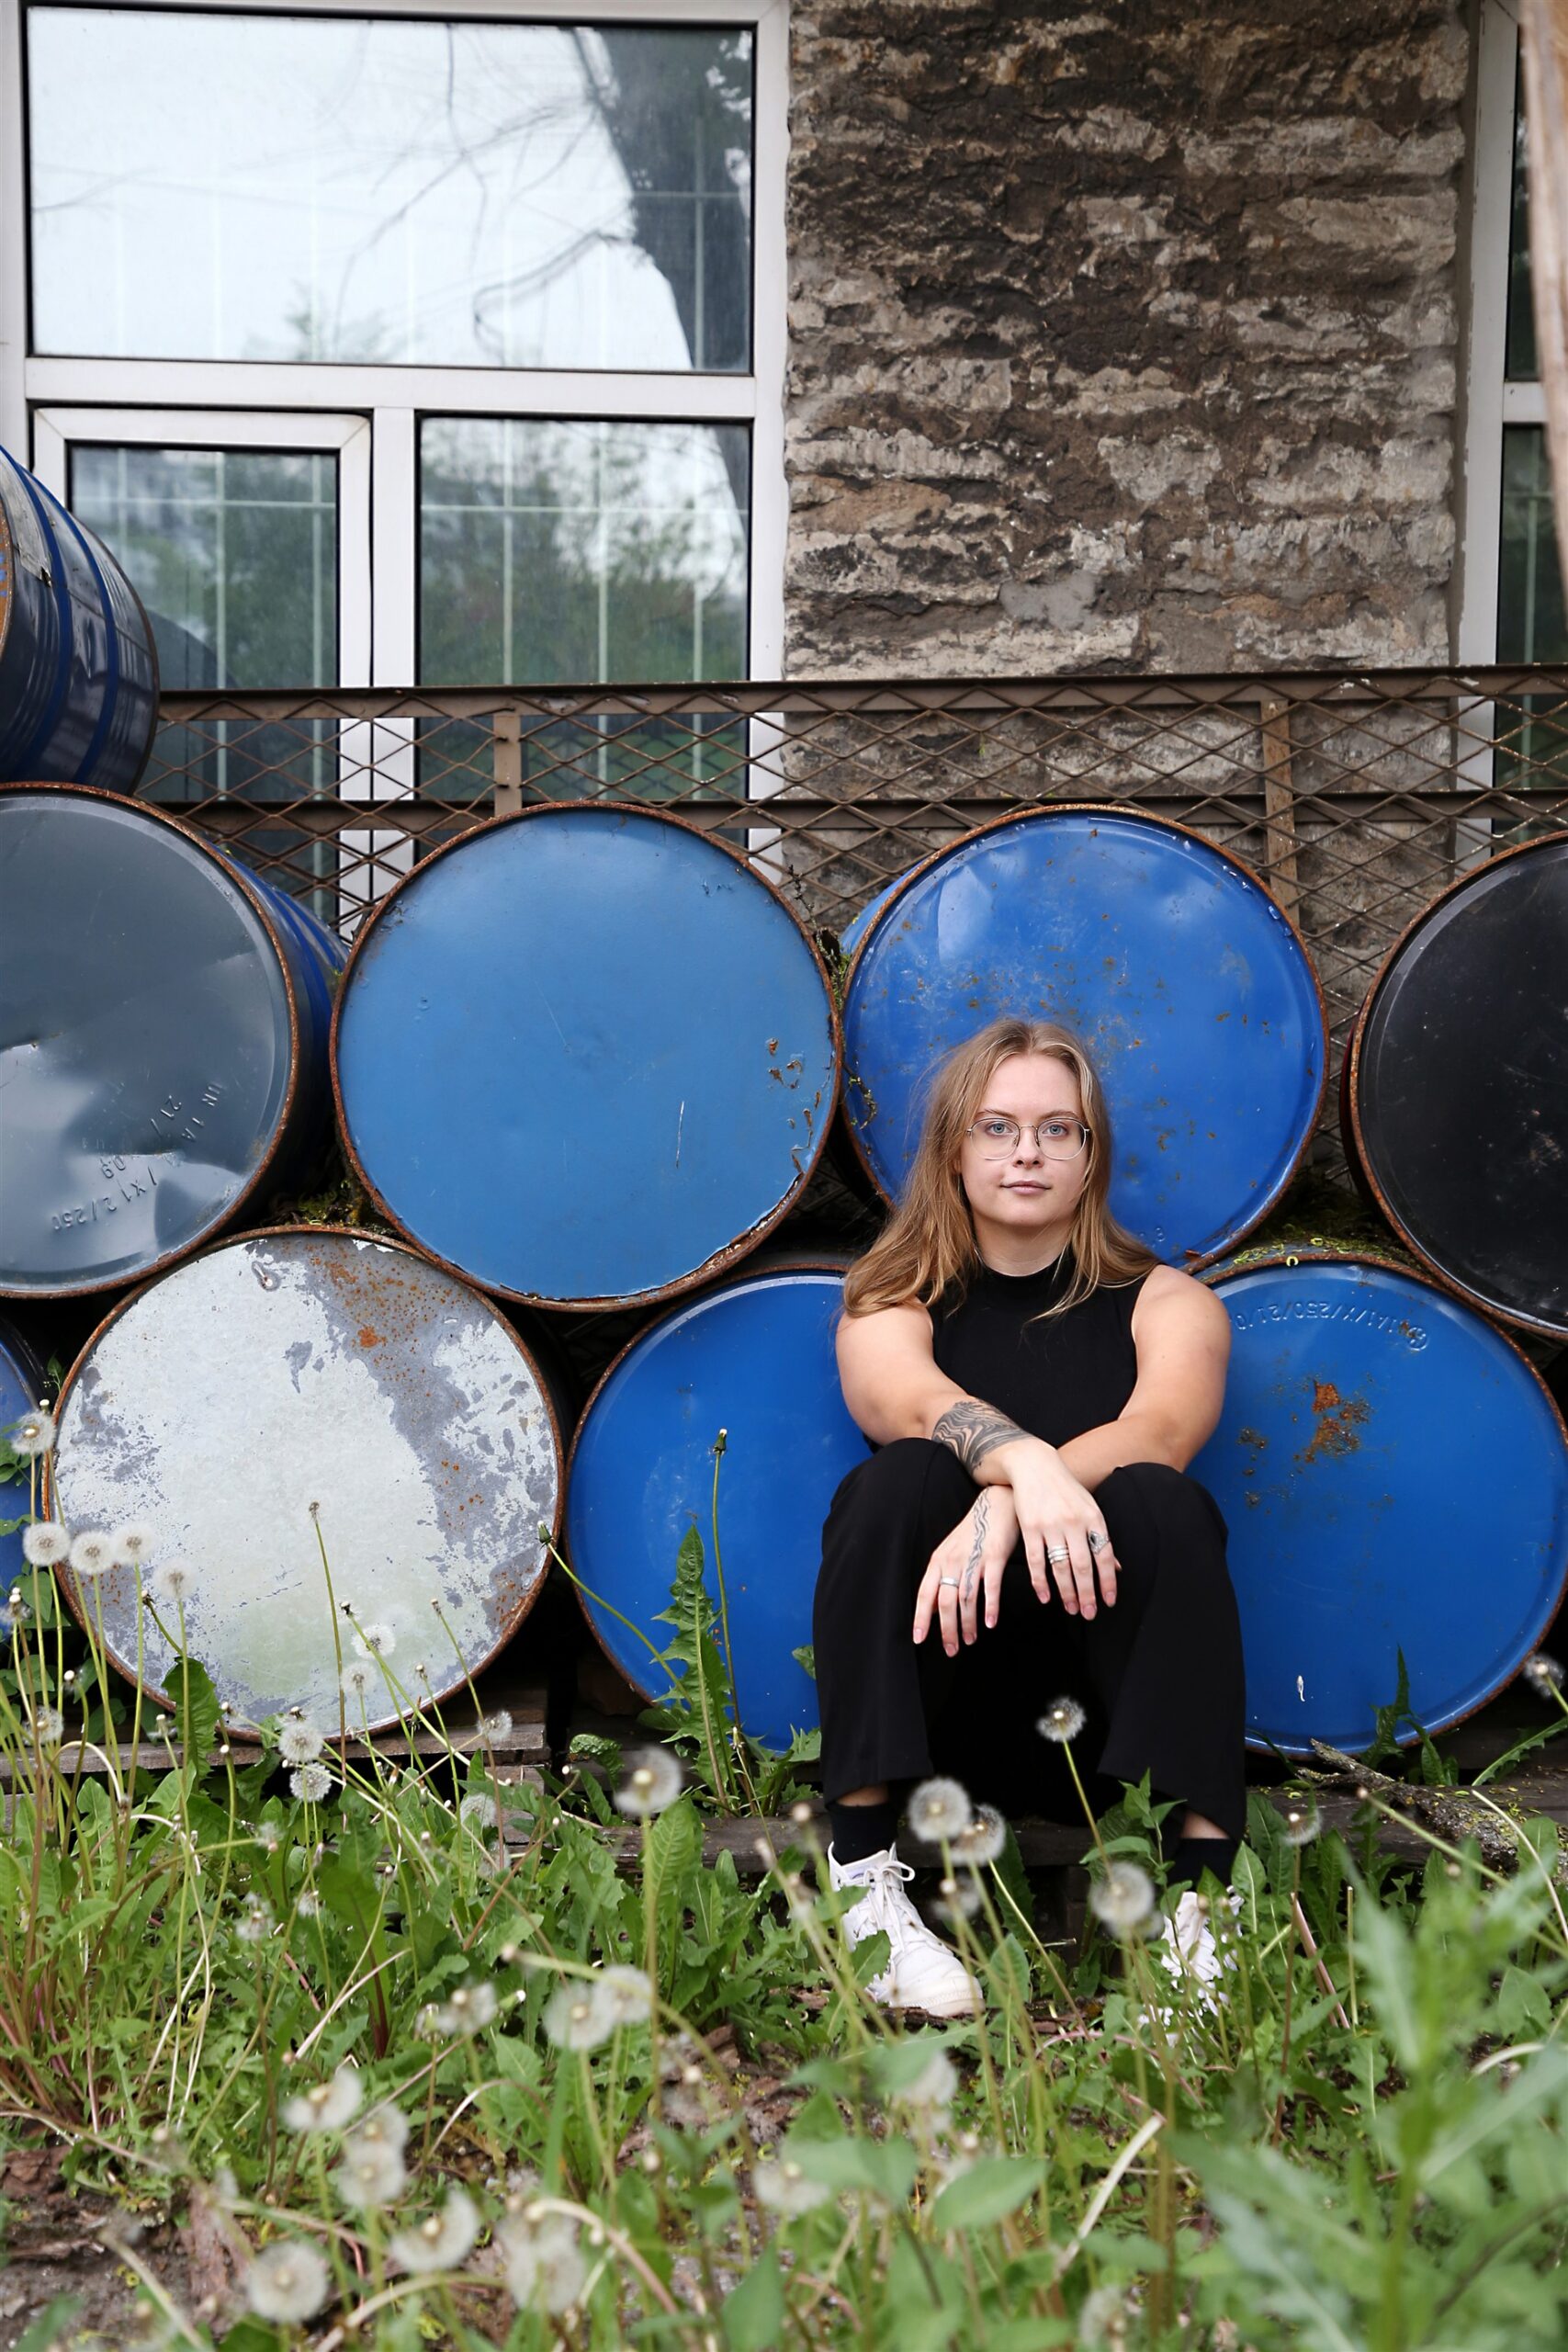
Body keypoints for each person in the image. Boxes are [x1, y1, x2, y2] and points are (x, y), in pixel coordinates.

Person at [814, 1016, 1246, 2016]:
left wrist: (1007, 1506)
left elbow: (1161, 1429)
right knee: (897, 1482)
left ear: (1092, 1155)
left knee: (1160, 1499)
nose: (1026, 1153)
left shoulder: (1166, 1301)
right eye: (997, 1127)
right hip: (943, 1723)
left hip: (1104, 1733)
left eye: (1058, 1129)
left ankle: (1200, 1912)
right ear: (953, 1151)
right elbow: (909, 1402)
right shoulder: (892, 1297)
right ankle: (865, 1888)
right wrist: (1025, 1468)